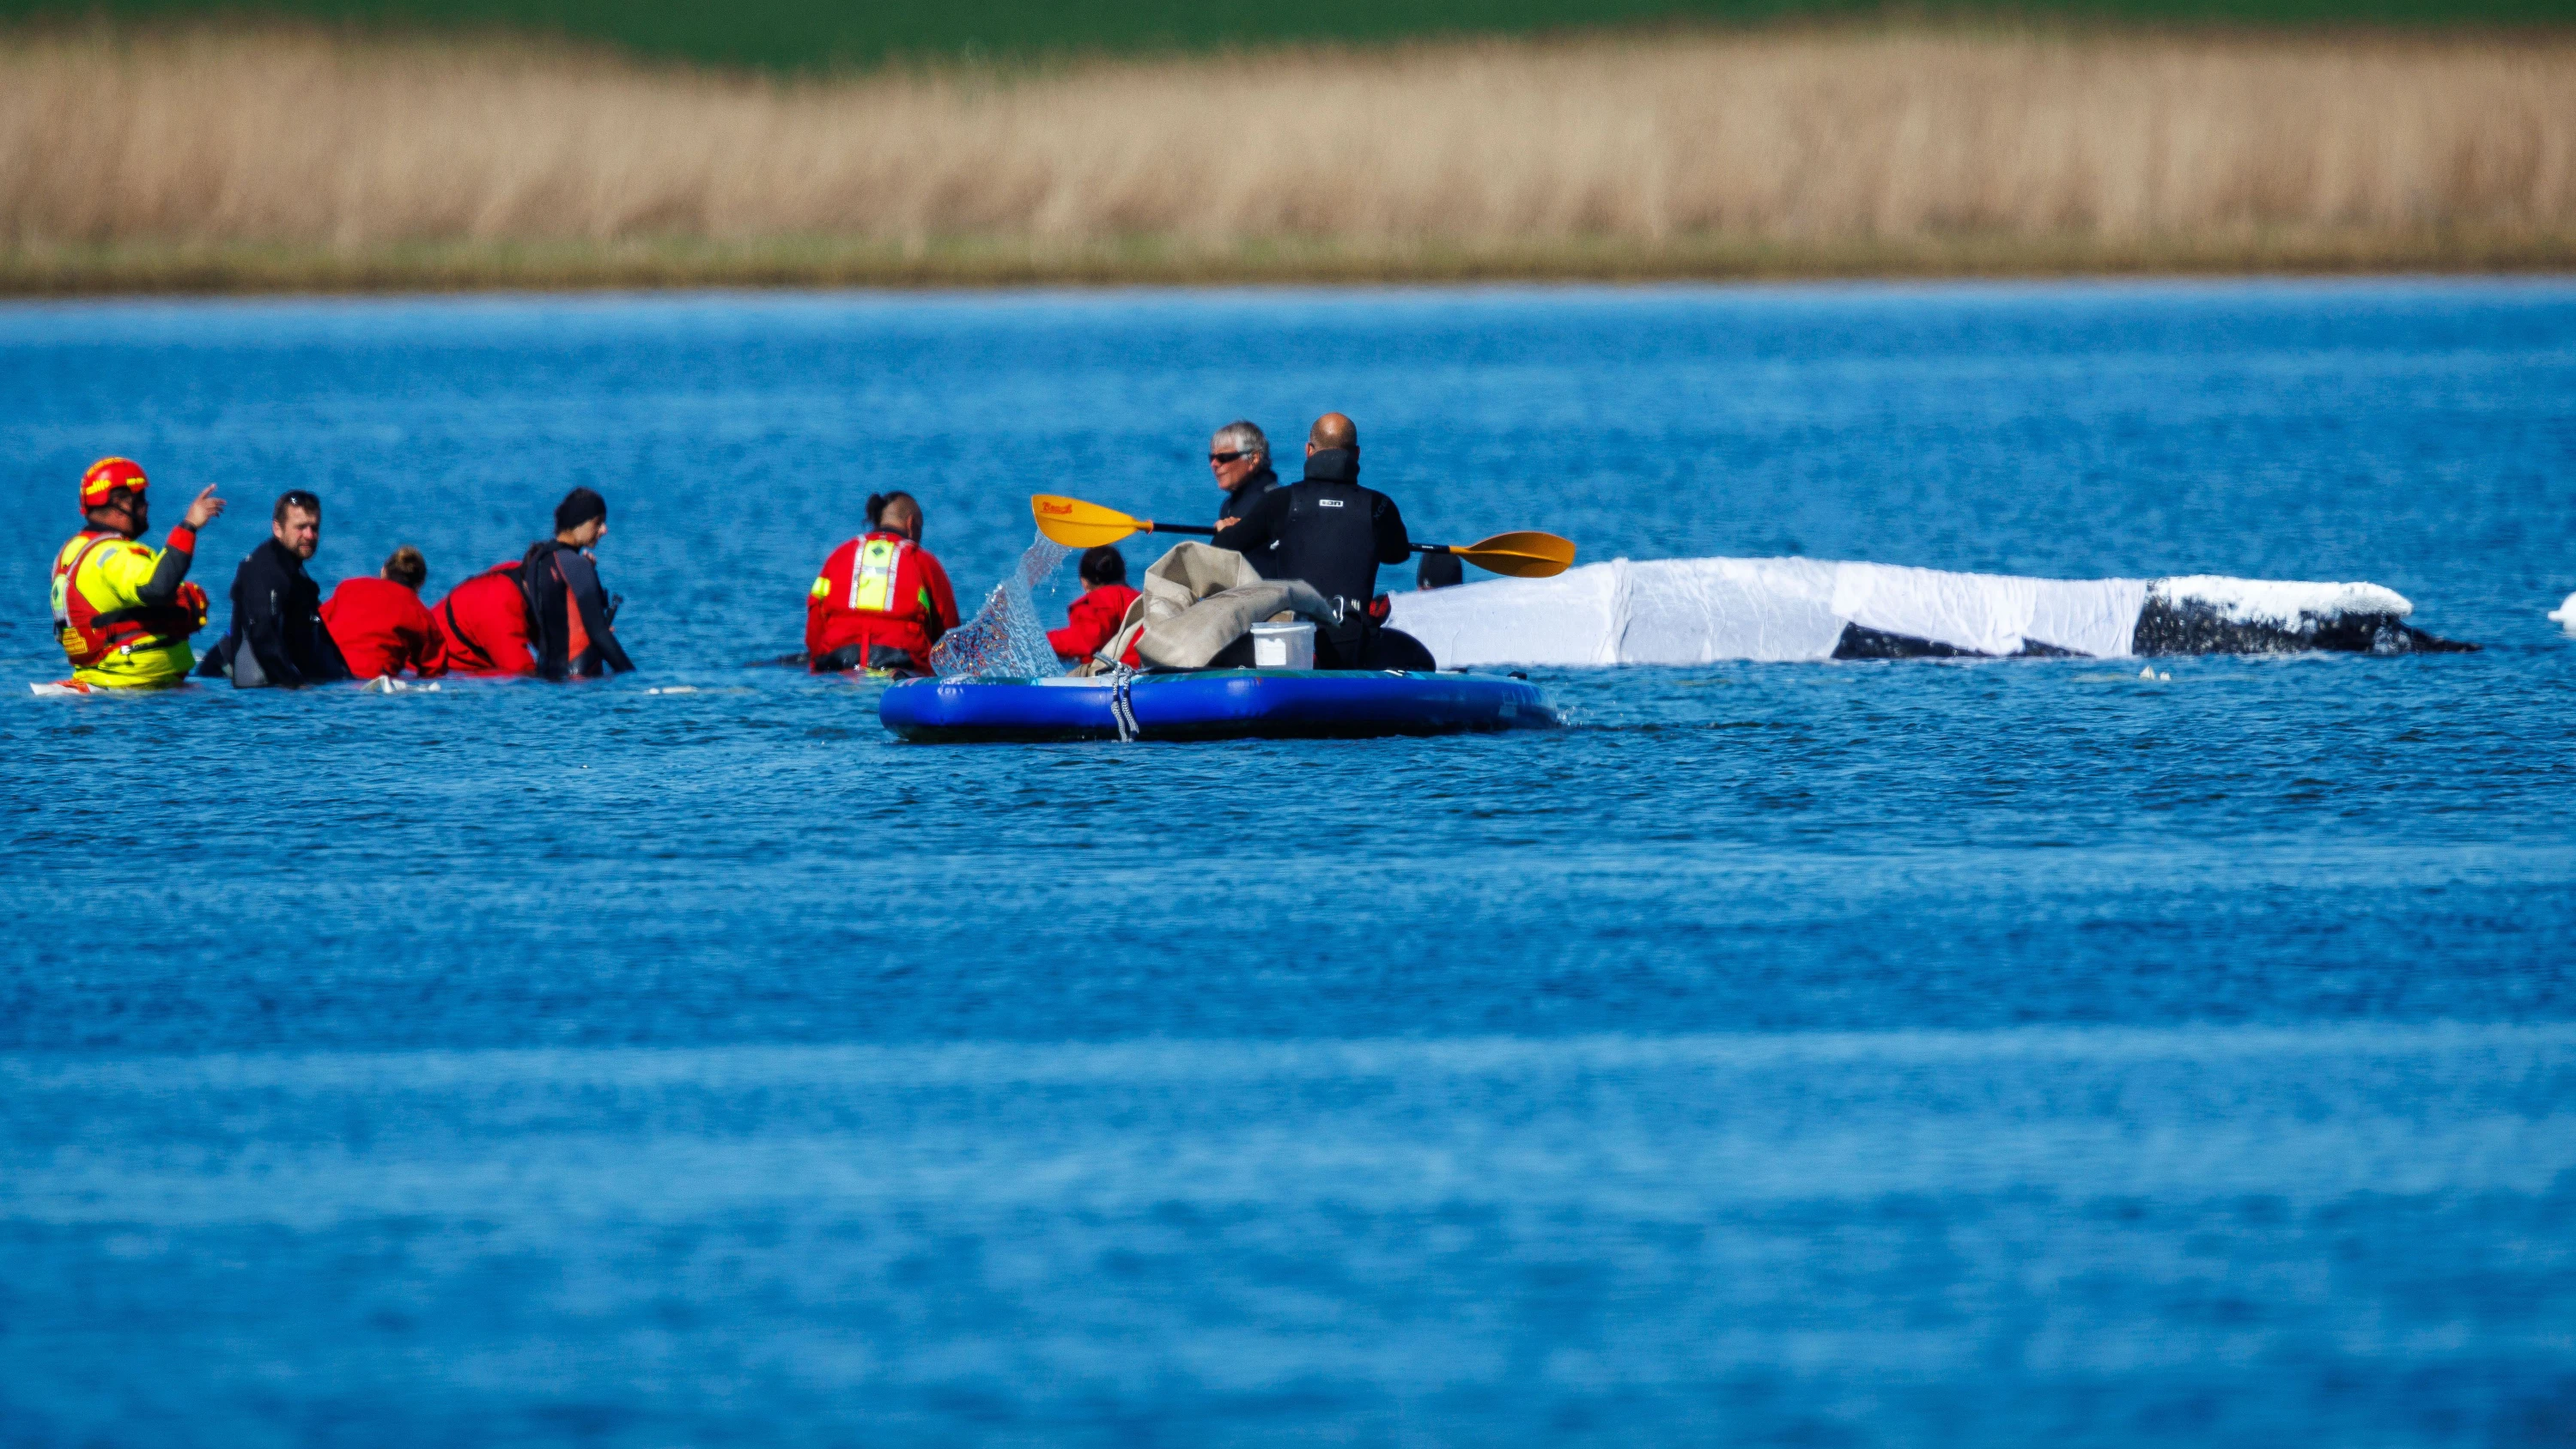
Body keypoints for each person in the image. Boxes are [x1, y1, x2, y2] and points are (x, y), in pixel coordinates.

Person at [1209, 413, 1435, 670]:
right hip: (1353, 646)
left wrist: (1225, 530)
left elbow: (1222, 549)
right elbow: (1398, 554)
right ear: (1357, 454)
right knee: (1424, 661)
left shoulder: (1280, 502)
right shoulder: (1379, 506)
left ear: (1308, 451)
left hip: (1293, 643)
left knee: (1215, 656)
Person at [48, 457, 223, 690]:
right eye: (140, 499)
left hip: (99, 677)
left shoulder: (71, 551)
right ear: (121, 502)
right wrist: (189, 527)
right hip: (136, 691)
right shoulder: (114, 555)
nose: (146, 507)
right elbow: (157, 587)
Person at [198, 489, 352, 688]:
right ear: (278, 529)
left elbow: (320, 641)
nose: (309, 535)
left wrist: (348, 682)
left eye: (314, 527)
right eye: (301, 527)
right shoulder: (263, 571)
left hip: (275, 681)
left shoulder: (298, 576)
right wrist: (298, 685)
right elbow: (263, 636)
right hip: (239, 690)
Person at [805, 492, 961, 676]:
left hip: (835, 662)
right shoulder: (924, 562)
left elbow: (815, 619)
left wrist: (816, 660)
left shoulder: (839, 556)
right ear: (912, 525)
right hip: (901, 667)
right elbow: (950, 639)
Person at [520, 488, 634, 680]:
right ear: (577, 523)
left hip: (546, 675)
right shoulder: (576, 564)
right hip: (581, 677)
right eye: (598, 523)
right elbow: (599, 633)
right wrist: (633, 679)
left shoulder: (537, 561)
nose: (604, 530)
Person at [322, 546, 447, 681]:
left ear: (383, 571)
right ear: (420, 584)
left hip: (327, 669)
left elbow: (317, 622)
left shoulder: (348, 587)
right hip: (373, 679)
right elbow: (435, 668)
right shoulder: (418, 611)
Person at [433, 561, 538, 676]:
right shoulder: (500, 599)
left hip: (455, 670)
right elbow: (521, 671)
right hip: (437, 672)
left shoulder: (515, 575)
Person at [1048, 544, 1142, 668]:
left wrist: (1039, 642)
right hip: (1156, 673)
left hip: (1126, 679)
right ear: (1124, 575)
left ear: (1084, 583)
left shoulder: (1101, 601)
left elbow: (1086, 639)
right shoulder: (1144, 599)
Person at [1209, 420, 1279, 532]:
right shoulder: (1229, 505)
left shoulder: (1271, 503)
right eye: (1212, 458)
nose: (1214, 464)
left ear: (1253, 459)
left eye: (1223, 458)